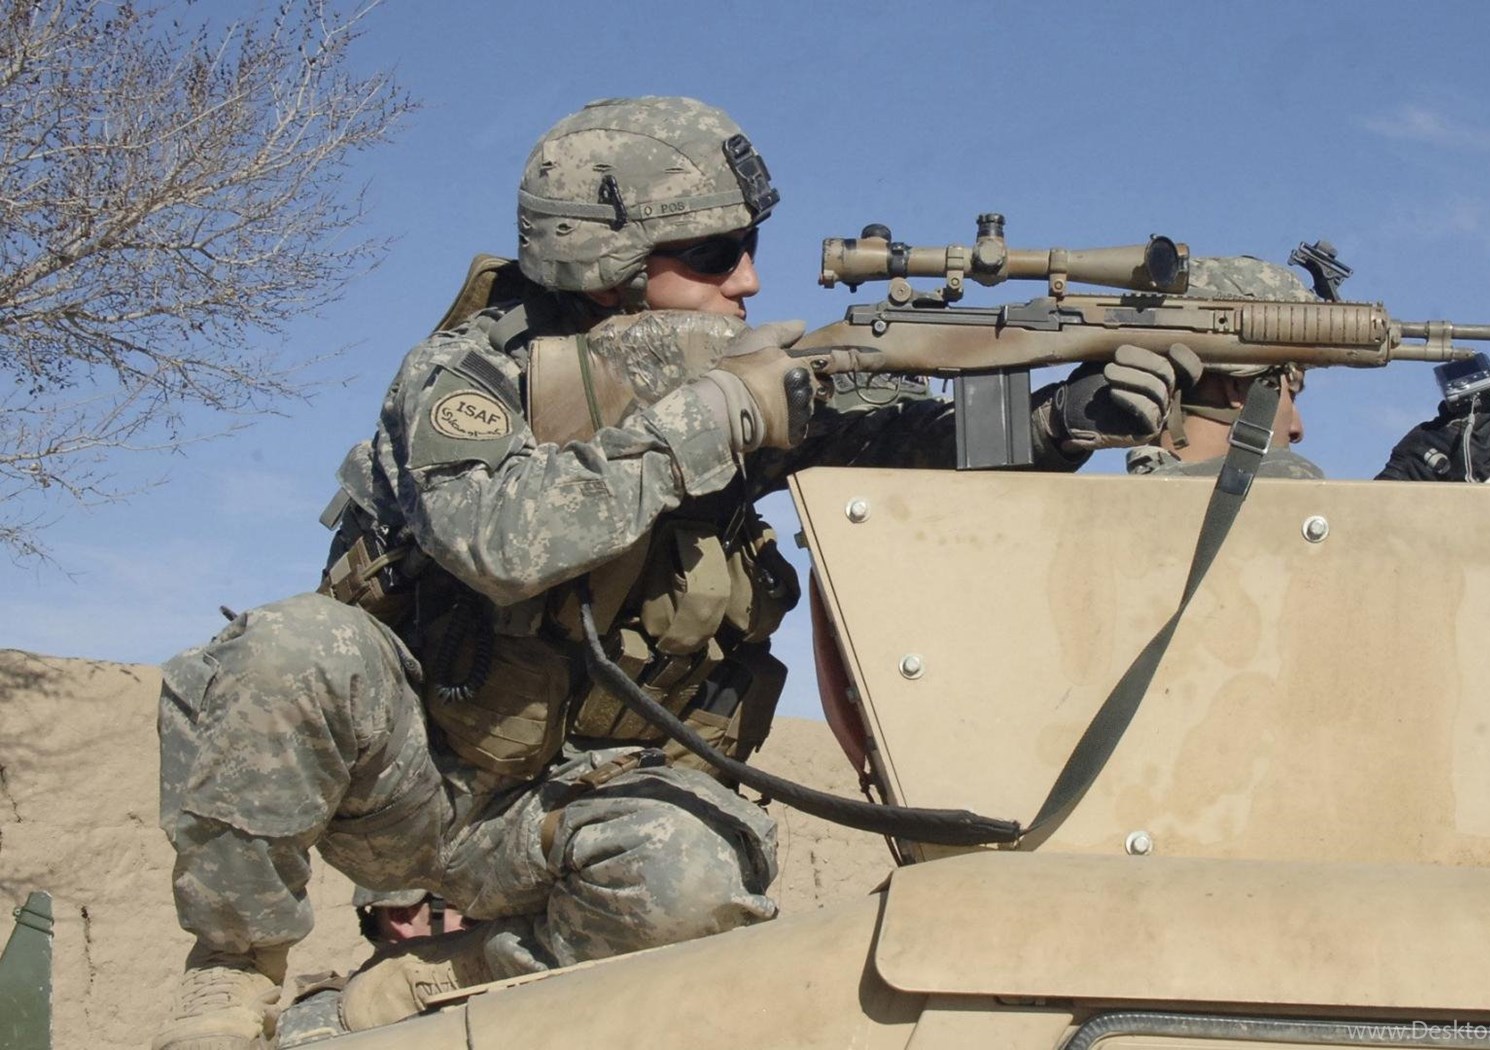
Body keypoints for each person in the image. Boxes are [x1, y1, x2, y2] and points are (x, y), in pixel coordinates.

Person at [151, 96, 1197, 1049]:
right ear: (603, 262)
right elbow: (498, 540)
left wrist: (1059, 423)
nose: (748, 280)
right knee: (287, 648)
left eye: (749, 248)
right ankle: (234, 977)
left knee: (694, 879)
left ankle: (421, 989)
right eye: (714, 253)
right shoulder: (470, 375)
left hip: (589, 809)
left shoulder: (744, 376)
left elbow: (901, 441)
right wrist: (715, 417)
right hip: (412, 785)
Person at [1125, 256, 1490, 481]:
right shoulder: (1280, 482)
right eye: (1290, 393)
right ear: (1238, 388)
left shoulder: (1127, 507)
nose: (1297, 428)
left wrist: (1403, 484)